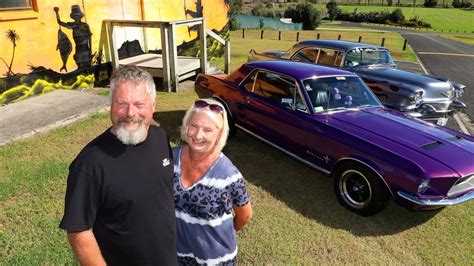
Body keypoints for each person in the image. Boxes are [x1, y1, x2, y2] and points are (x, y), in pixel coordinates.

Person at [59, 65, 177, 265]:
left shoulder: (160, 137)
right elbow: (79, 231)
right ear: (111, 106)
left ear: (153, 105)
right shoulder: (89, 164)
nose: (130, 113)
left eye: (139, 104)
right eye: (121, 103)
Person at [173, 98, 253, 265]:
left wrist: (218, 234)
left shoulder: (228, 175)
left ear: (219, 133)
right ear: (186, 126)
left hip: (214, 260)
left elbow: (245, 215)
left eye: (208, 130)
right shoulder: (171, 158)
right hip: (178, 254)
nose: (198, 135)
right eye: (194, 126)